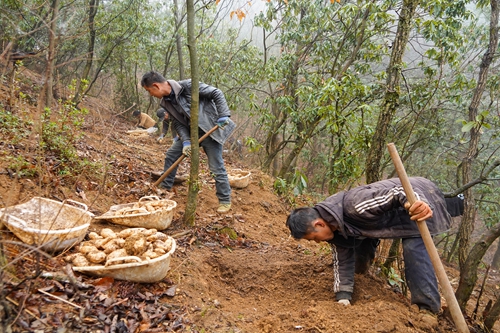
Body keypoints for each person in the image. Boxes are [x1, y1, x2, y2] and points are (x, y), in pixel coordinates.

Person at [286, 177, 464, 315]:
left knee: (413, 247)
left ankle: (427, 308)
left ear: (319, 224)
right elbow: (342, 262)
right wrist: (343, 297)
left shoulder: (355, 206)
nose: (316, 242)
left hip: (420, 197)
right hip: (382, 222)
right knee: (355, 246)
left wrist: (415, 203)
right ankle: (363, 275)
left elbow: (399, 191)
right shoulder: (335, 227)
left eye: (312, 238)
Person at [141, 71, 236, 213]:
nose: (151, 94)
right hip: (191, 133)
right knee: (172, 154)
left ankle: (224, 200)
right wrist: (186, 141)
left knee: (216, 166)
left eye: (149, 91)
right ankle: (165, 187)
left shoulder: (188, 86)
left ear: (156, 86)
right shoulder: (165, 103)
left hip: (209, 129)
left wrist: (223, 115)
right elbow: (178, 123)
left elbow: (216, 93)